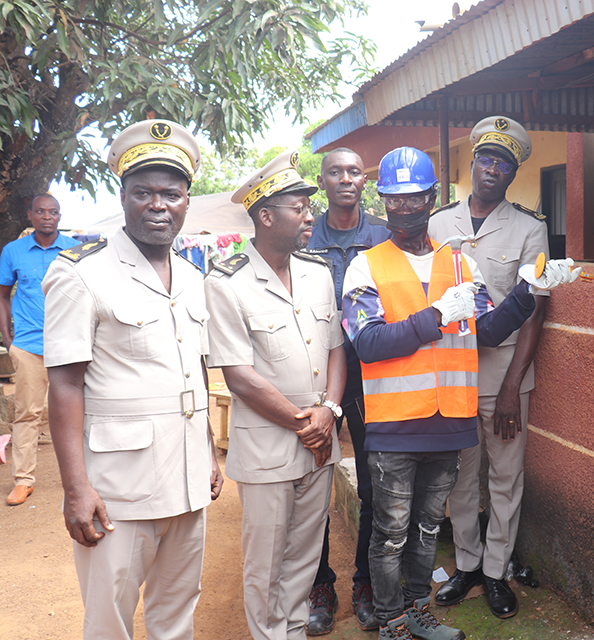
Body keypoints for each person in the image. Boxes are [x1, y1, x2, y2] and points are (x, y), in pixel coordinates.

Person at [342, 147, 579, 640]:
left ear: (432, 197)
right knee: (389, 535)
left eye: (414, 198)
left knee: (429, 529)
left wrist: (527, 290)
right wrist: (436, 317)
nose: (404, 209)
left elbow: (488, 332)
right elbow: (366, 343)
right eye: (394, 199)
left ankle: (416, 612)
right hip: (395, 424)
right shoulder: (365, 267)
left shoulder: (460, 266)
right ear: (384, 202)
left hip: (448, 422)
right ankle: (391, 623)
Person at [42, 119, 222, 640]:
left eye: (172, 193)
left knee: (177, 613)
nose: (159, 205)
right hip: (117, 487)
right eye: (143, 192)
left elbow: (194, 369)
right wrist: (76, 488)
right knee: (109, 620)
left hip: (186, 479)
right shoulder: (81, 274)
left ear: (187, 201)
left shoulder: (192, 278)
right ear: (123, 197)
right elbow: (66, 385)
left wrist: (209, 449)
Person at [204, 150, 347, 640]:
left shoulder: (318, 273)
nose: (310, 215)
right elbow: (238, 375)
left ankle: (292, 632)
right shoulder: (226, 282)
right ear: (266, 216)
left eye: (308, 206)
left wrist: (328, 411)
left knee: (305, 558)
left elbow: (336, 351)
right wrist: (306, 423)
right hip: (271, 446)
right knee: (265, 562)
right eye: (298, 207)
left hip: (319, 440)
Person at [429, 116, 547, 619]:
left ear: (513, 172)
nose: (492, 168)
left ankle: (497, 571)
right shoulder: (438, 224)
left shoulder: (529, 227)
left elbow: (535, 311)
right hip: (452, 375)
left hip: (504, 377)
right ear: (472, 162)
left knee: (505, 476)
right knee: (460, 476)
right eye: (485, 158)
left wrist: (511, 386)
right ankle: (468, 564)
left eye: (503, 162)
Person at [304, 147, 390, 634]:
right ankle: (320, 585)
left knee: (375, 479)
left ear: (365, 180)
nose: (345, 179)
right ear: (321, 181)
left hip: (371, 372)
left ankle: (365, 582)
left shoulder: (382, 234)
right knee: (314, 473)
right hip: (315, 374)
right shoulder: (303, 232)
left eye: (354, 171)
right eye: (335, 171)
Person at [0, 193, 78, 505]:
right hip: (29, 346)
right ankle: (23, 480)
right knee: (28, 413)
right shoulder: (13, 251)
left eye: (53, 212)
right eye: (41, 211)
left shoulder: (74, 250)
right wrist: (8, 340)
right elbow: (3, 295)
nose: (47, 217)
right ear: (30, 215)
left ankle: (87, 477)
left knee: (78, 412)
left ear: (60, 216)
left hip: (70, 346)